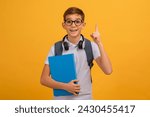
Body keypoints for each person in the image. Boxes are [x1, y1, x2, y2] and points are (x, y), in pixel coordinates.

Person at [40, 7, 112, 100]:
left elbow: (108, 70)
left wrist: (99, 43)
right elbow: (44, 79)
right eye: (69, 22)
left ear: (83, 25)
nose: (73, 25)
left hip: (85, 101)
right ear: (64, 25)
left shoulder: (91, 46)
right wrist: (65, 86)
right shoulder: (56, 48)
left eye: (77, 21)